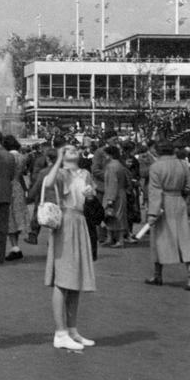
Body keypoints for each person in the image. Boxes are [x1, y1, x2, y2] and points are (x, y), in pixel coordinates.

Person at [43, 144, 97, 351]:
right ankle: (60, 332)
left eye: (75, 148)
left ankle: (72, 330)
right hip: (65, 223)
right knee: (63, 279)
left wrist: (91, 196)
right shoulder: (60, 173)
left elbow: (90, 199)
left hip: (80, 222)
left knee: (75, 280)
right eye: (67, 149)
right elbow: (47, 183)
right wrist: (58, 160)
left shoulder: (86, 173)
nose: (72, 150)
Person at [143, 140, 190, 289]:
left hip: (163, 203)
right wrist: (185, 194)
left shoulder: (155, 167)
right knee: (184, 237)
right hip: (179, 202)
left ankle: (157, 275)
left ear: (157, 151)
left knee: (159, 238)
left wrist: (152, 213)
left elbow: (155, 191)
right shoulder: (182, 164)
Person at [102, 145, 129, 248]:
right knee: (115, 216)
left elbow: (113, 183)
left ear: (110, 155)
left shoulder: (112, 166)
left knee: (116, 216)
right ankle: (115, 239)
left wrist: (110, 199)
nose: (104, 157)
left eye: (105, 155)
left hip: (113, 194)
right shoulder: (118, 165)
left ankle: (119, 240)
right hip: (119, 193)